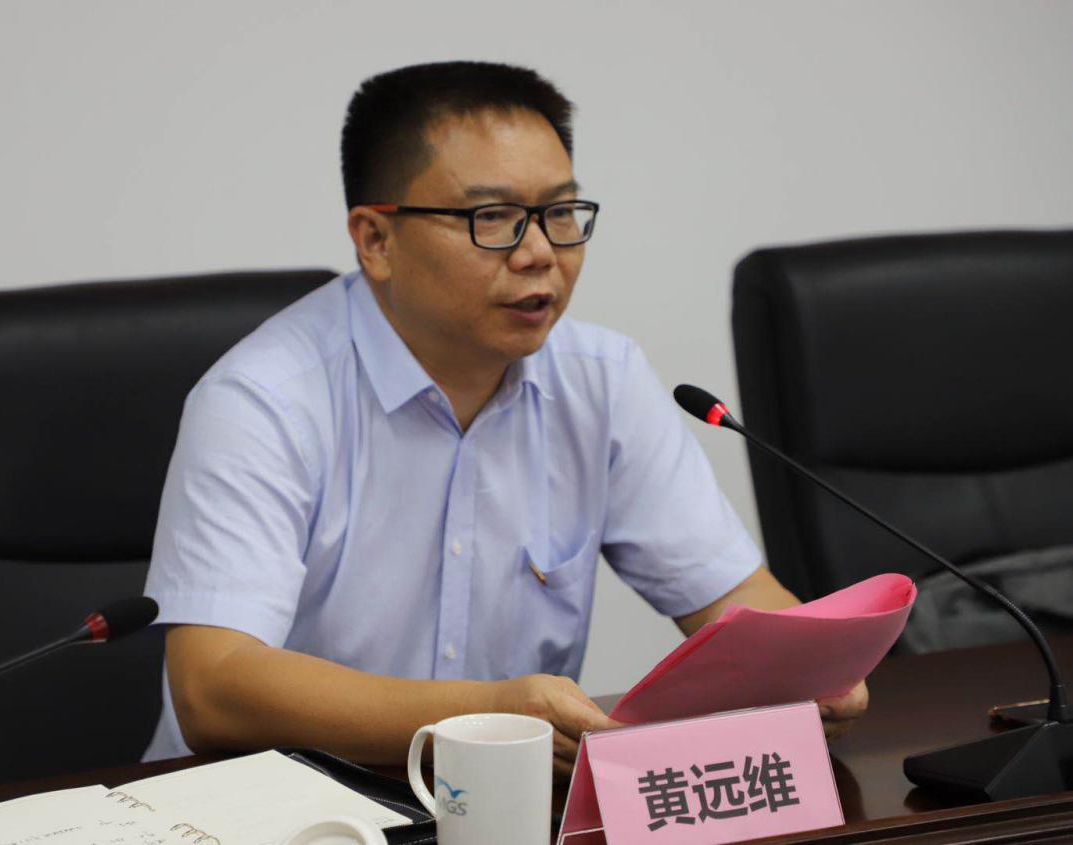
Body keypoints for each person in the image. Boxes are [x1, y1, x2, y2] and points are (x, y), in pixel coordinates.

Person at [142, 61, 867, 774]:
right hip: (267, 806)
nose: (539, 253)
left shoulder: (602, 379)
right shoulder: (263, 400)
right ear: (375, 240)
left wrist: (806, 663)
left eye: (560, 213)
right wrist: (482, 716)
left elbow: (729, 597)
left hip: (503, 803)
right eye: (491, 218)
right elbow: (213, 687)